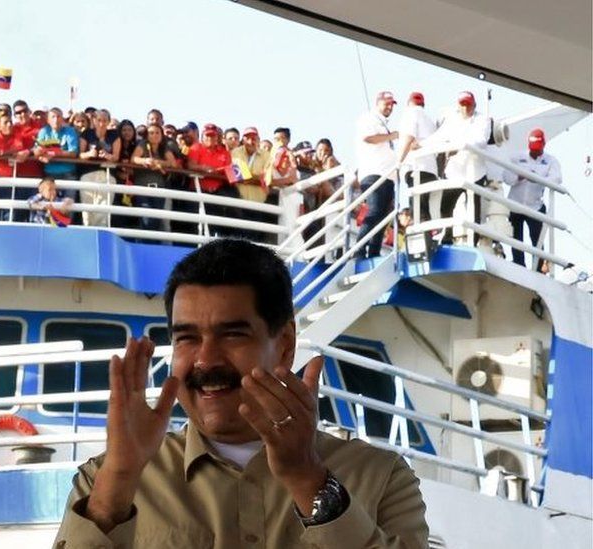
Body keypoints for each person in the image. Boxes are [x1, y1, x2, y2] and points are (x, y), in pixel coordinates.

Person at [54, 238, 429, 548]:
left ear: (284, 344)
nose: (205, 360)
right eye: (187, 338)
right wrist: (119, 479)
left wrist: (307, 477)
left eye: (233, 334)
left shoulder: (381, 477)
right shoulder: (103, 480)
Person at [421, 91, 492, 245]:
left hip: (475, 173)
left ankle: (473, 242)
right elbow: (438, 137)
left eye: (468, 104)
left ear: (474, 105)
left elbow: (481, 141)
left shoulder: (482, 120)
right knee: (445, 207)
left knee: (474, 211)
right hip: (454, 171)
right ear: (458, 106)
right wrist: (419, 145)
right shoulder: (452, 120)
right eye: (462, 105)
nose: (465, 108)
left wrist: (457, 146)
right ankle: (447, 237)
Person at [502, 128, 562, 269]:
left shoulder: (550, 161)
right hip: (515, 205)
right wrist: (519, 176)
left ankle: (539, 268)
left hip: (535, 206)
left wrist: (538, 178)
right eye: (532, 149)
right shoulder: (517, 157)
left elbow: (557, 178)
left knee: (537, 240)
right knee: (516, 239)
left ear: (544, 145)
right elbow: (506, 177)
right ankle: (519, 265)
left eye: (537, 150)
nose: (534, 152)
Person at [355, 91, 399, 259]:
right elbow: (368, 138)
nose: (389, 107)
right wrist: (392, 135)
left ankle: (374, 251)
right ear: (377, 103)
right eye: (386, 103)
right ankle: (359, 250)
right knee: (374, 212)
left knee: (383, 216)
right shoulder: (368, 118)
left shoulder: (383, 124)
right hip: (374, 173)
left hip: (387, 176)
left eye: (391, 104)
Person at [187, 124, 239, 237]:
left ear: (217, 137)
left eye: (213, 136)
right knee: (195, 226)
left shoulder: (224, 152)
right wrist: (203, 168)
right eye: (207, 136)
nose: (210, 138)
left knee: (217, 225)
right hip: (198, 192)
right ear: (202, 136)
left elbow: (231, 173)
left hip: (217, 193)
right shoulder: (196, 147)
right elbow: (190, 165)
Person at [396, 91, 438, 222]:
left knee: (418, 209)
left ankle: (422, 240)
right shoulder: (430, 120)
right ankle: (428, 239)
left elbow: (409, 137)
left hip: (416, 167)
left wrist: (398, 162)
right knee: (425, 208)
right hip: (430, 169)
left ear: (408, 103)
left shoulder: (410, 113)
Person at [130, 123, 177, 233]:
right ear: (147, 135)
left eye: (157, 133)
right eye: (151, 133)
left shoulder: (164, 147)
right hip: (143, 188)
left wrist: (159, 163)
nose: (154, 135)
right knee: (147, 221)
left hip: (159, 189)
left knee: (156, 222)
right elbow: (134, 159)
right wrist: (145, 161)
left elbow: (173, 164)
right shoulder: (142, 144)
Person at [78, 110, 120, 227]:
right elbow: (80, 155)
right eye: (99, 120)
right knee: (87, 211)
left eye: (105, 121)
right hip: (88, 174)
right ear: (94, 121)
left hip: (107, 174)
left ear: (108, 122)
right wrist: (89, 154)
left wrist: (108, 156)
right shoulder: (87, 133)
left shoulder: (114, 135)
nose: (101, 123)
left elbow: (116, 157)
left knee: (103, 211)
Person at [0, 113, 27, 221]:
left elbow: (18, 147)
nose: (9, 124)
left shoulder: (16, 133)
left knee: (9, 214)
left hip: (10, 179)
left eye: (10, 122)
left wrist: (0, 152)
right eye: (5, 122)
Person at [230, 127, 272, 240]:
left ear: (258, 140)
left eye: (254, 138)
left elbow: (267, 178)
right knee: (239, 238)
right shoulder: (235, 152)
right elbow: (238, 176)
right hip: (239, 202)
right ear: (243, 140)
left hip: (258, 203)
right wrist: (258, 178)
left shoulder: (266, 155)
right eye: (247, 138)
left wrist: (248, 176)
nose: (250, 141)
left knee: (256, 240)